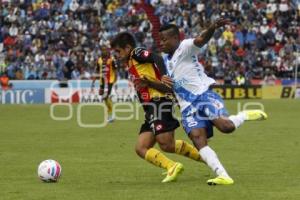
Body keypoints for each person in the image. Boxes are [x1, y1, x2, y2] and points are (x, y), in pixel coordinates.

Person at [159, 19, 268, 185]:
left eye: (164, 39)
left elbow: (201, 40)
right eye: (160, 40)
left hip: (203, 96)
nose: (161, 43)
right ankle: (223, 175)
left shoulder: (186, 46)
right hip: (187, 107)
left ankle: (244, 115)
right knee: (198, 139)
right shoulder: (165, 62)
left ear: (175, 38)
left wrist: (212, 28)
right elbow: (170, 86)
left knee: (226, 127)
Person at [111, 32, 203, 183]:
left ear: (127, 48)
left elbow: (156, 57)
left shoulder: (136, 53)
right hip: (150, 108)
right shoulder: (130, 62)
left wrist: (163, 76)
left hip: (158, 101)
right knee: (141, 147)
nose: (117, 55)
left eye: (118, 51)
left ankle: (204, 157)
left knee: (166, 144)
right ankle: (174, 165)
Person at [91, 47, 117, 122]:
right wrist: (93, 82)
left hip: (110, 82)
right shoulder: (99, 60)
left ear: (108, 56)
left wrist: (115, 82)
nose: (105, 60)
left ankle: (111, 116)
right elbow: (96, 71)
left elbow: (115, 71)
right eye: (103, 58)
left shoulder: (112, 60)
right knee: (104, 98)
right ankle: (110, 115)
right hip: (102, 82)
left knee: (105, 97)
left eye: (106, 58)